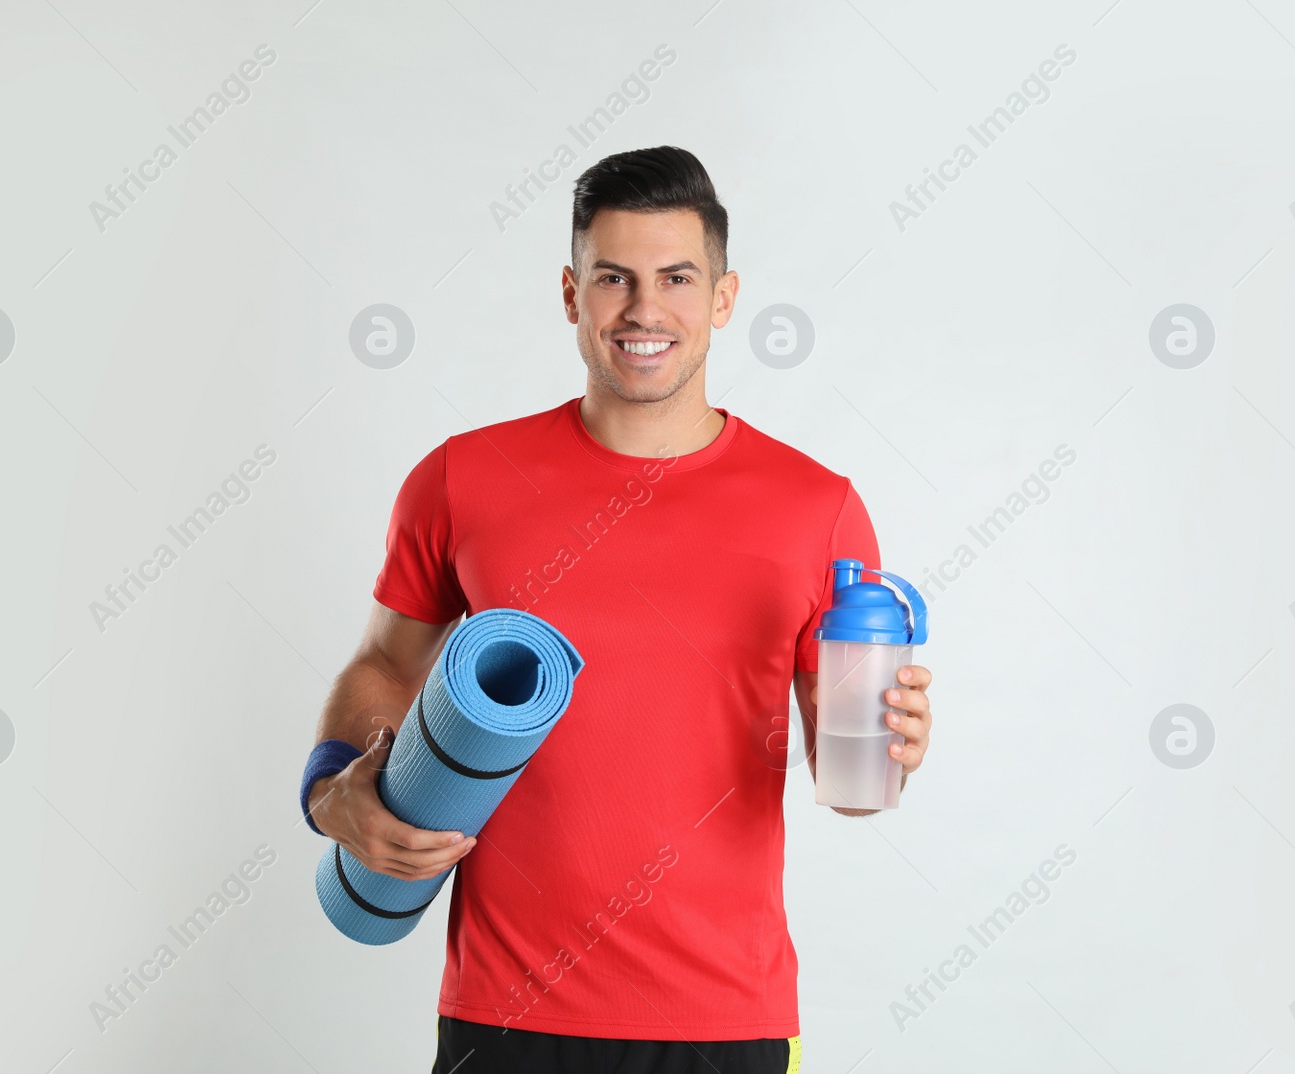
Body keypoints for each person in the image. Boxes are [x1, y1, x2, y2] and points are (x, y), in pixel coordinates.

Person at [302, 145, 935, 1074]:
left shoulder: (818, 508)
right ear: (570, 293)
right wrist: (331, 788)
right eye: (614, 278)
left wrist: (895, 745)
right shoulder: (461, 480)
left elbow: (848, 775)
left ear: (723, 298)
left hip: (725, 1022)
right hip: (505, 1014)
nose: (645, 310)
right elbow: (386, 666)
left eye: (677, 278)